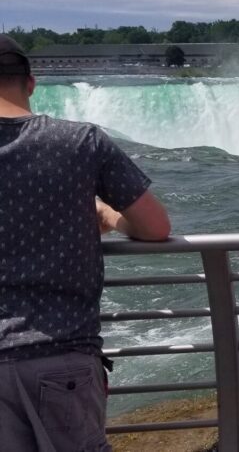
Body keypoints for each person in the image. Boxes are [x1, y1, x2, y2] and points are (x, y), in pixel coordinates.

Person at [0, 34, 171, 452]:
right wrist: (106, 215)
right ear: (32, 83)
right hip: (61, 355)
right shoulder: (80, 142)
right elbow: (155, 227)